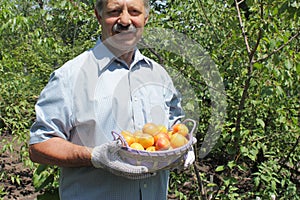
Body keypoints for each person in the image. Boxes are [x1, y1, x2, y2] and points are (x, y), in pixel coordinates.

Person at [29, 0, 195, 199]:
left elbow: (174, 128)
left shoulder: (159, 75)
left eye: (134, 11)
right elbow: (40, 146)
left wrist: (182, 148)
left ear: (145, 18)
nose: (125, 20)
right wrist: (94, 156)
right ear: (99, 16)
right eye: (115, 11)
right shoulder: (70, 76)